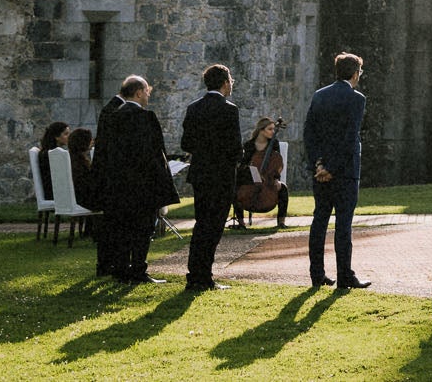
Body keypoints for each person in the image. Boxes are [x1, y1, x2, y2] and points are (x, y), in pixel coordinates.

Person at [94, 75, 177, 285]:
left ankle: (121, 270)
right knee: (142, 229)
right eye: (147, 92)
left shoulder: (112, 116)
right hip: (142, 184)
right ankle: (138, 269)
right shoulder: (144, 117)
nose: (148, 96)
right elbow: (154, 153)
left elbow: (106, 152)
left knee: (122, 228)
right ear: (139, 92)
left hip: (118, 183)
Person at [304, 51, 370, 291]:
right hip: (345, 171)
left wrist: (318, 165)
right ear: (355, 74)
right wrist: (331, 167)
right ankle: (344, 276)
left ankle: (317, 274)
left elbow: (309, 133)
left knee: (319, 220)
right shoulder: (356, 99)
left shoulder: (319, 96)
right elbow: (349, 138)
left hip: (321, 170)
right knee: (343, 225)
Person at [180, 63, 241, 292]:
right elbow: (235, 147)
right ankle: (203, 276)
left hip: (201, 174)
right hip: (222, 175)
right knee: (214, 227)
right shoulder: (229, 110)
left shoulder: (194, 108)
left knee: (201, 224)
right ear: (225, 83)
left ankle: (194, 274)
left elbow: (186, 143)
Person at [92, 87, 128, 279]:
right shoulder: (115, 110)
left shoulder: (110, 109)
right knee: (113, 224)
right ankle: (108, 264)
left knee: (111, 223)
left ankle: (108, 263)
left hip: (108, 175)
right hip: (113, 177)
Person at [233, 117, 290, 229]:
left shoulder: (274, 143)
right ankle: (241, 223)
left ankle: (281, 222)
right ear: (261, 130)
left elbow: (277, 163)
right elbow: (243, 164)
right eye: (270, 129)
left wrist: (276, 179)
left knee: (283, 188)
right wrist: (249, 169)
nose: (273, 132)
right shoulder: (249, 145)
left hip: (268, 180)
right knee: (235, 188)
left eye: (274, 129)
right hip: (250, 178)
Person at [67, 126, 98, 216]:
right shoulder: (80, 163)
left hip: (77, 198)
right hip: (84, 201)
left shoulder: (71, 158)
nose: (92, 142)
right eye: (90, 140)